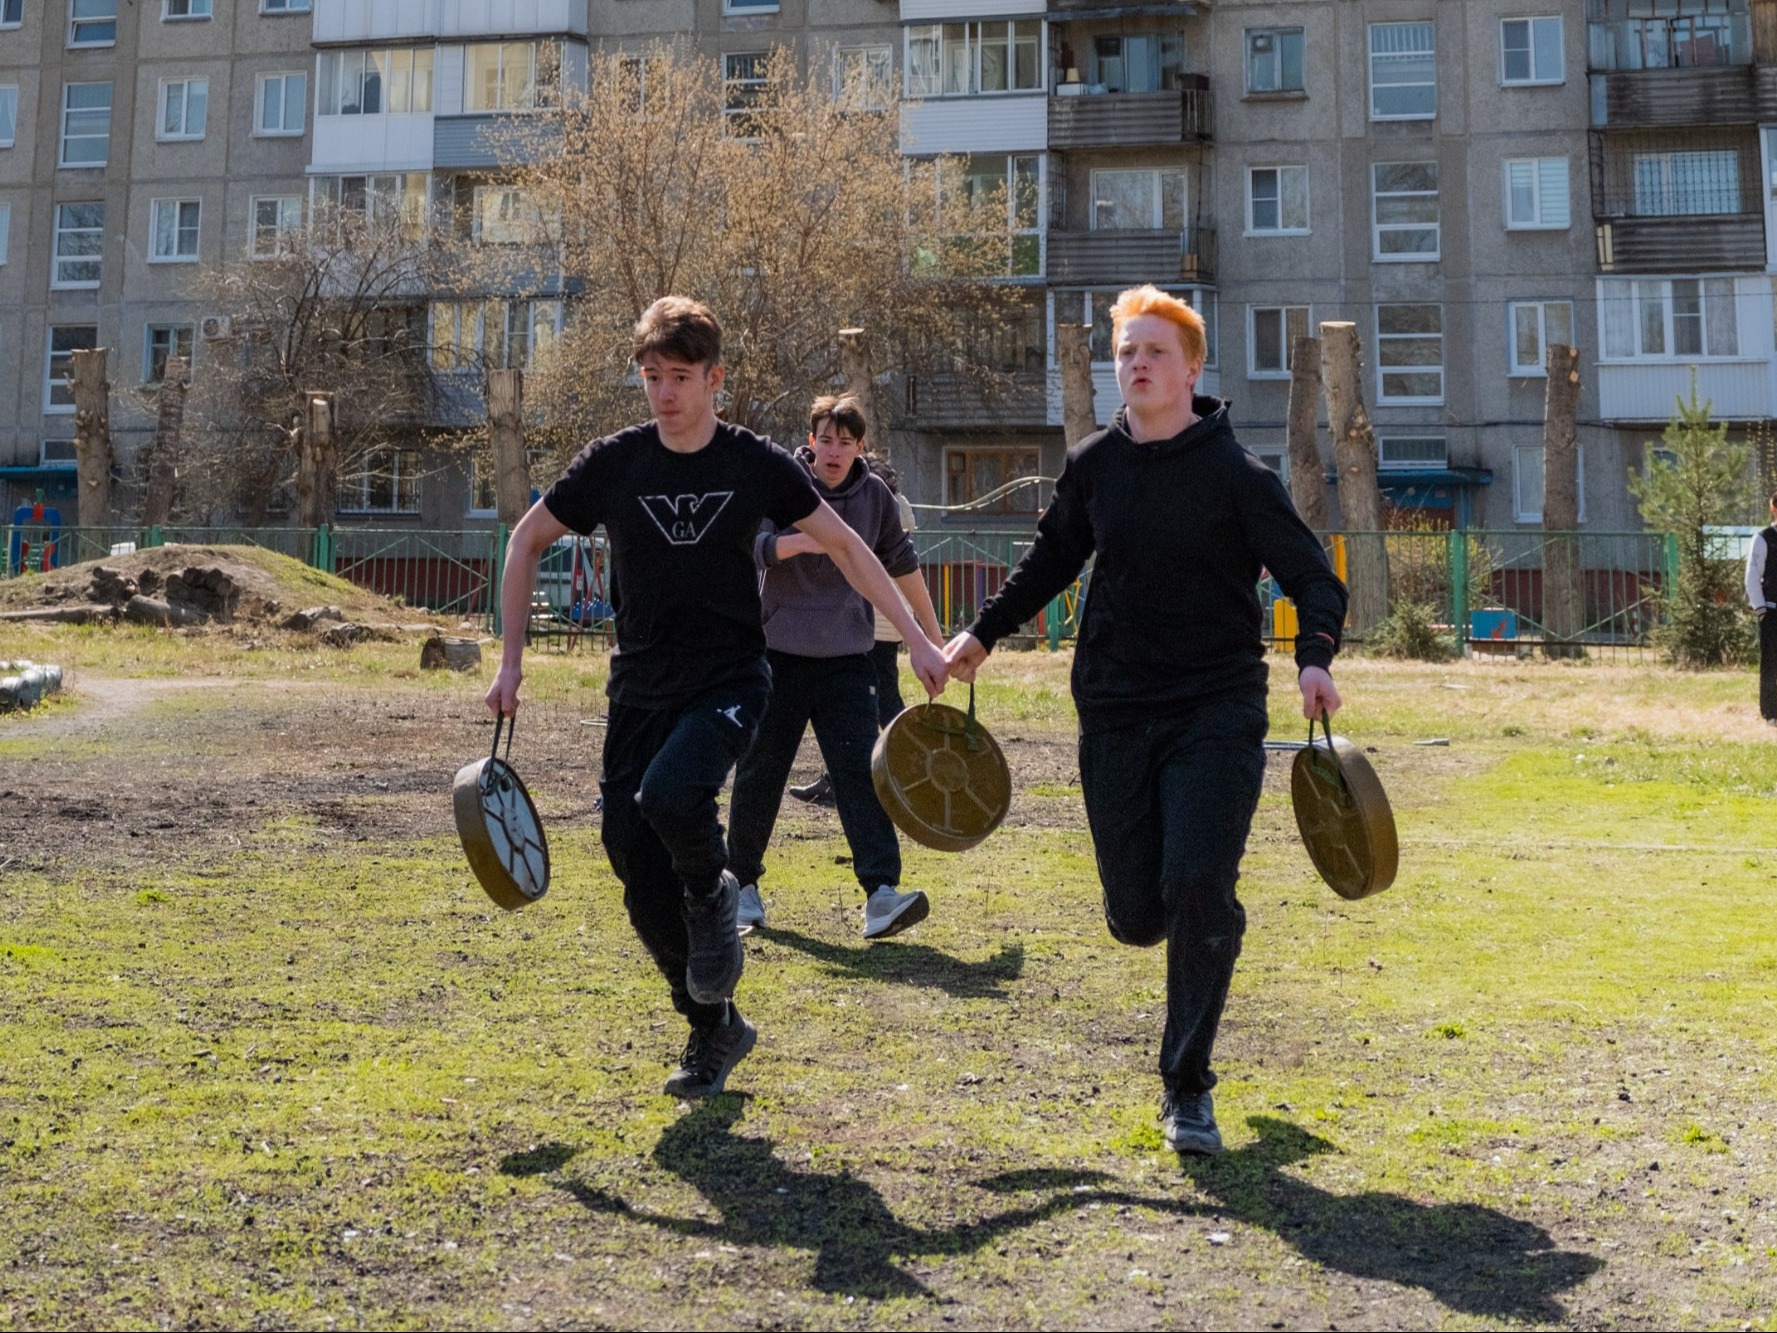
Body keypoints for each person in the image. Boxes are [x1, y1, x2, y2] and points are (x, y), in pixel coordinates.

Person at [485, 297, 947, 1100]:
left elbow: (846, 545)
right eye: (651, 376)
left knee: (671, 796)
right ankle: (712, 1025)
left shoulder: (753, 460)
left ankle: (714, 887)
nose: (663, 393)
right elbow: (526, 540)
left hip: (731, 678)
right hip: (638, 686)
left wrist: (912, 635)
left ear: (713, 379)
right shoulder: (614, 462)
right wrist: (510, 662)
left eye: (680, 377)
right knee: (629, 855)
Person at [942, 285, 1348, 1155]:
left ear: (1192, 369)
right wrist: (979, 636)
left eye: (1153, 351)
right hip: (1116, 710)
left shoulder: (1240, 477)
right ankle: (1195, 916)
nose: (1135, 364)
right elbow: (1049, 561)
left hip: (1216, 708)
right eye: (1125, 351)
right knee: (1134, 912)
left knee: (1196, 882)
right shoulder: (1094, 466)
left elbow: (1314, 579)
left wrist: (1314, 655)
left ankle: (1186, 1086)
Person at [728, 396, 945, 939]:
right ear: (811, 440)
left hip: (848, 657)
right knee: (761, 770)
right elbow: (750, 548)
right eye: (825, 439)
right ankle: (743, 888)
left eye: (845, 442)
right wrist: (800, 541)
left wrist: (933, 642)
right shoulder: (783, 483)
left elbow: (903, 568)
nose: (833, 451)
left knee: (858, 774)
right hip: (778, 653)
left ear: (860, 448)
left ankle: (881, 895)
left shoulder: (876, 498)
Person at [788, 456, 918, 805]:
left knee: (880, 703)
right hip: (872, 623)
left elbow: (882, 563)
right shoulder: (893, 505)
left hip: (875, 623)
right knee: (872, 704)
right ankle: (848, 776)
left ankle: (909, 766)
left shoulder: (880, 506)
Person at [1745, 491, 1777, 723]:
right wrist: (1761, 609)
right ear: (1773, 508)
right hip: (1772, 610)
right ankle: (1770, 713)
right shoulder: (1763, 538)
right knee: (1771, 664)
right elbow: (1751, 577)